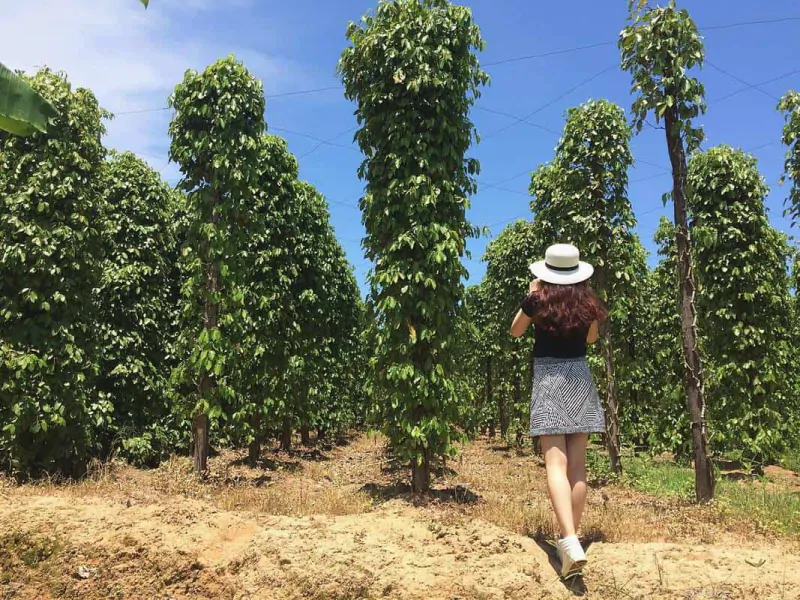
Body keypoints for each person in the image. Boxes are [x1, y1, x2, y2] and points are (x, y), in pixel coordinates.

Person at [509, 243, 606, 579]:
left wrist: (531, 294)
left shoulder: (538, 300)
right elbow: (591, 340)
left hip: (549, 377)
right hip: (579, 376)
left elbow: (515, 330)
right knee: (577, 465)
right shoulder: (589, 303)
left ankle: (567, 539)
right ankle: (572, 541)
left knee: (555, 462)